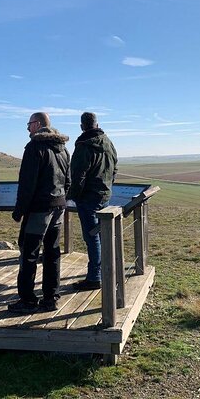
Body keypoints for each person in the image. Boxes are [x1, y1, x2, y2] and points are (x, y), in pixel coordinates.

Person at [9, 112, 70, 314]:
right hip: (58, 206)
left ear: (37, 125)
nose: (27, 128)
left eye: (29, 124)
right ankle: (51, 298)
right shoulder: (62, 148)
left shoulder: (35, 147)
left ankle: (27, 300)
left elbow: (27, 184)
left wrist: (19, 211)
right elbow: (68, 180)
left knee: (29, 254)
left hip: (39, 209)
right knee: (52, 253)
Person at [67, 112, 118, 290]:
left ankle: (95, 277)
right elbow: (114, 168)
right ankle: (106, 272)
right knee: (102, 235)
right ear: (97, 124)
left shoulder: (83, 146)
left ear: (82, 126)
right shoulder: (108, 143)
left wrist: (73, 196)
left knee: (91, 237)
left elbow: (78, 175)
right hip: (104, 194)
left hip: (88, 198)